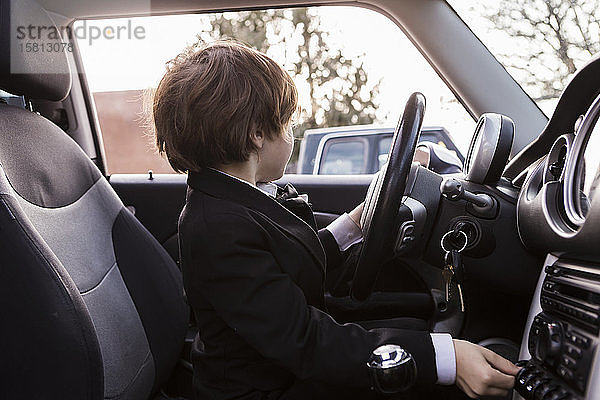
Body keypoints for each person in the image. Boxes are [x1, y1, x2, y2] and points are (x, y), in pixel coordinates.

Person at [152, 40, 519, 399]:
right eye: (286, 124)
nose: (291, 133)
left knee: (414, 328)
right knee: (430, 369)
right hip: (266, 387)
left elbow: (291, 264)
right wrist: (445, 358)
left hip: (282, 367)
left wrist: (361, 222)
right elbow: (305, 340)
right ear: (258, 134)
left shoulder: (240, 198)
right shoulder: (218, 227)